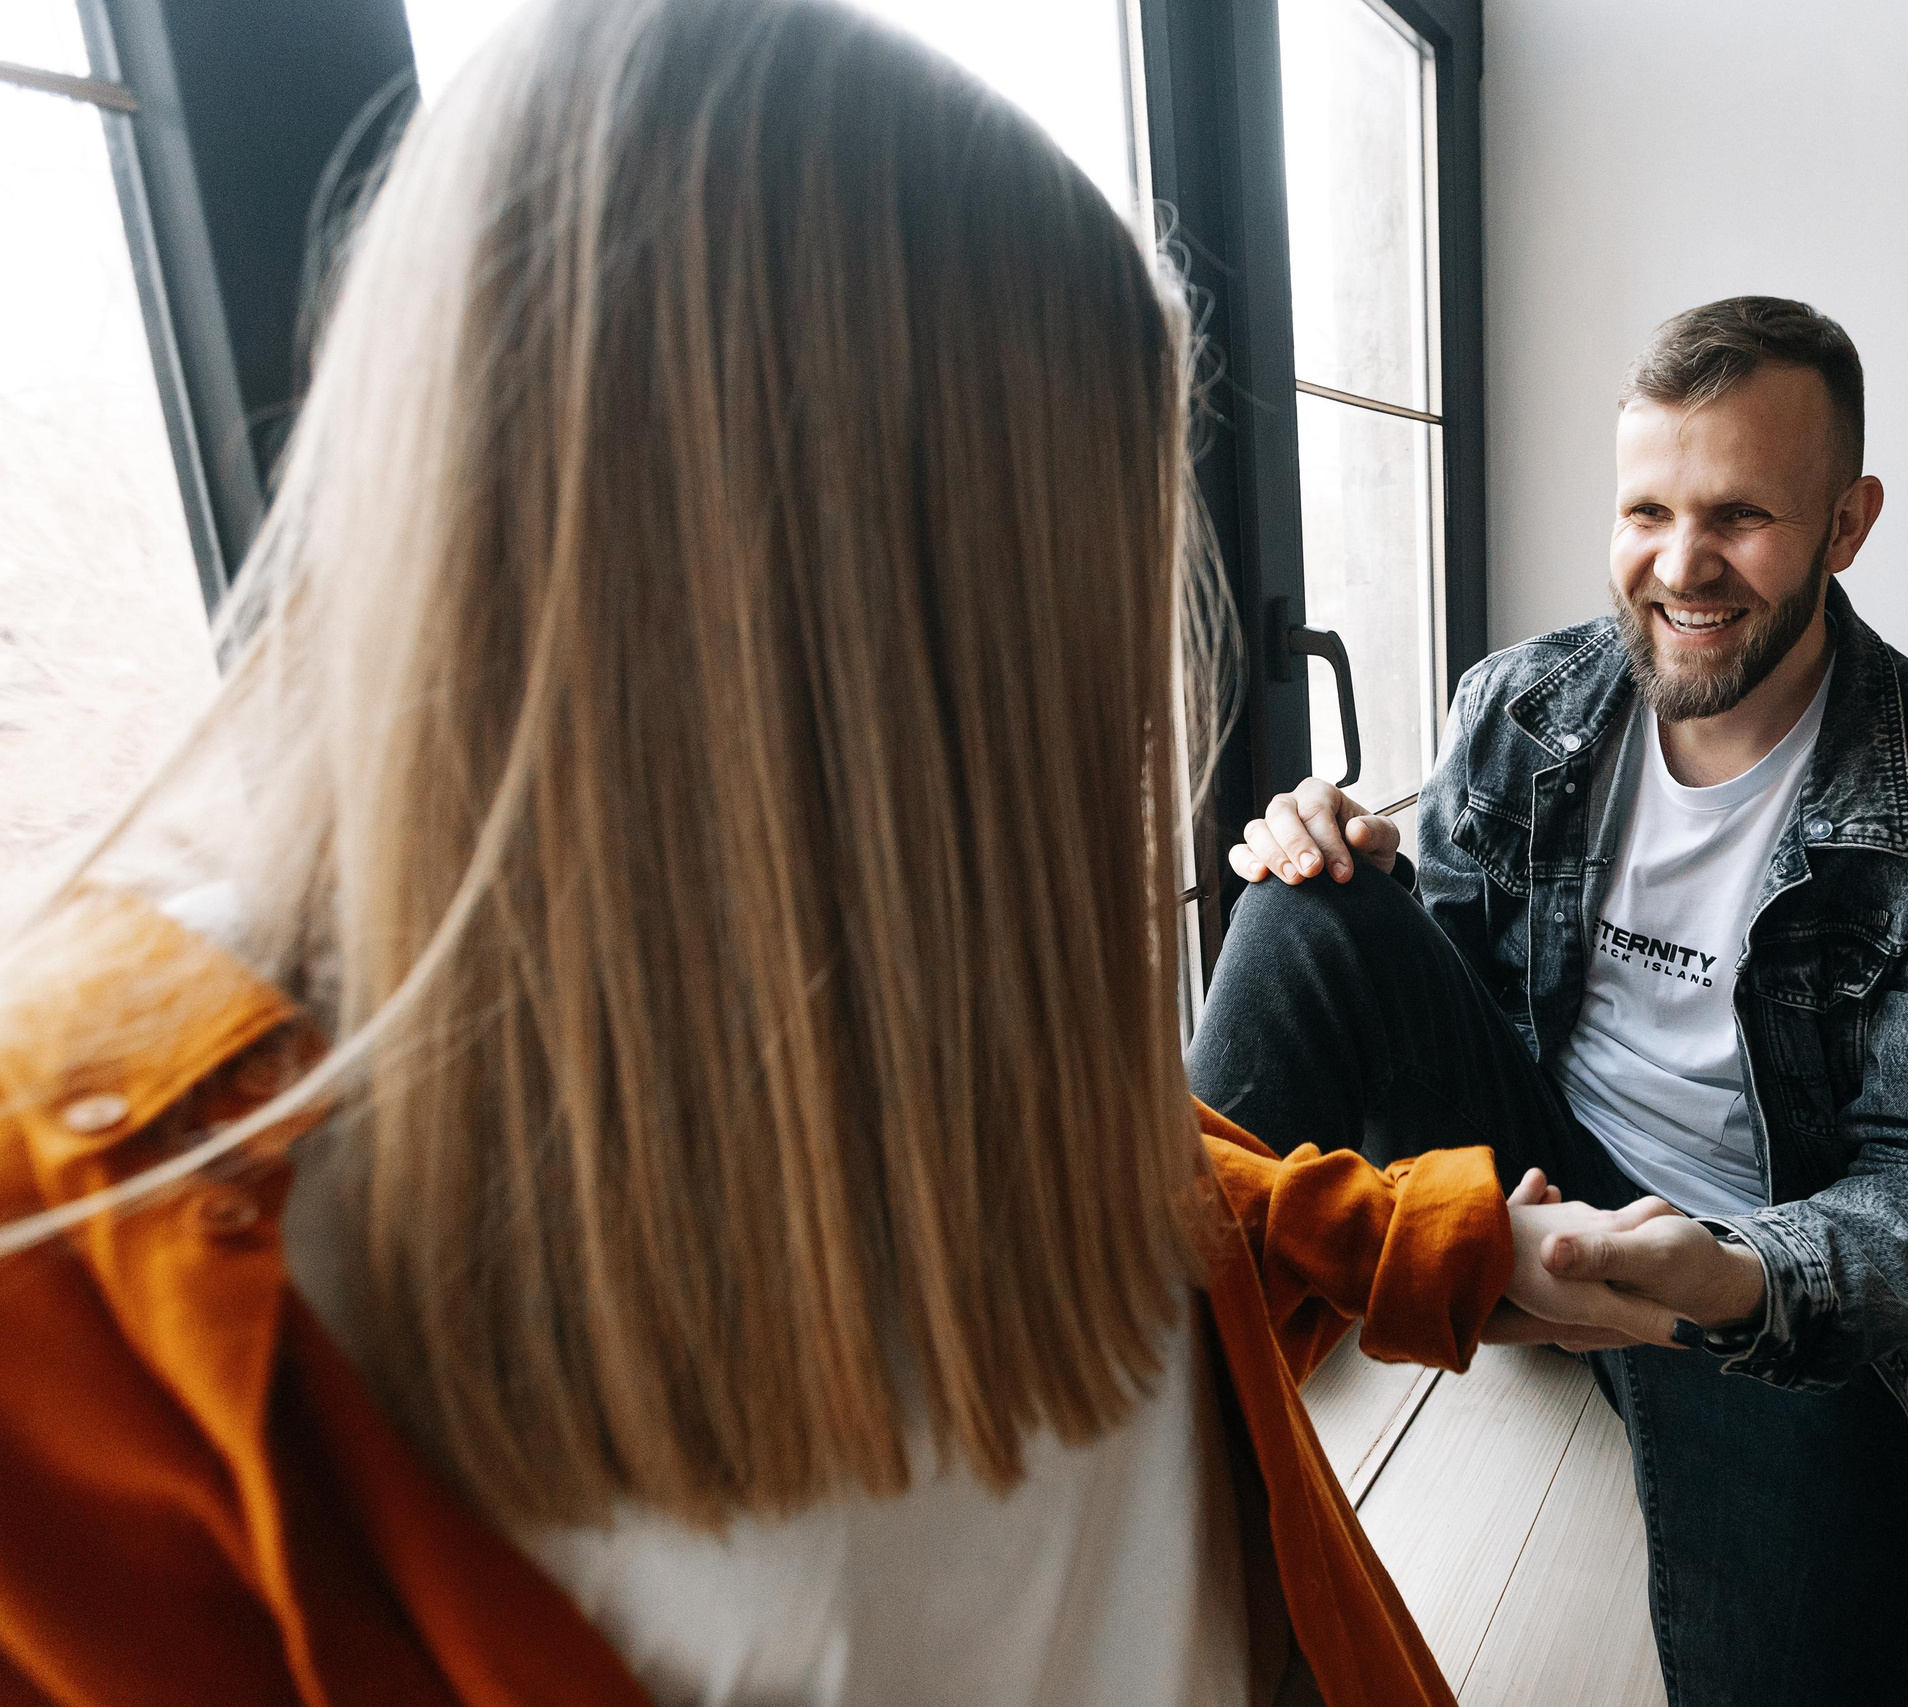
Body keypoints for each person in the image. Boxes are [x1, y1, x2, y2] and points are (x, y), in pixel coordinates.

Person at [0, 3, 1681, 1703]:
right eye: (1077, 577)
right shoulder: (94, 1265)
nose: (1117, 701)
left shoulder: (869, 921)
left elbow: (1112, 1154)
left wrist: (1449, 1250)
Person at [1189, 296, 1908, 1706]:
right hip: (1528, 1169)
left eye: (1741, 517)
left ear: (1848, 524)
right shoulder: (1525, 702)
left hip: (1742, 1261)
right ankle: (1150, 1340)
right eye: (1646, 510)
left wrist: (1739, 1282)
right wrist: (1341, 858)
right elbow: (1461, 983)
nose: (1682, 564)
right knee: (1306, 903)